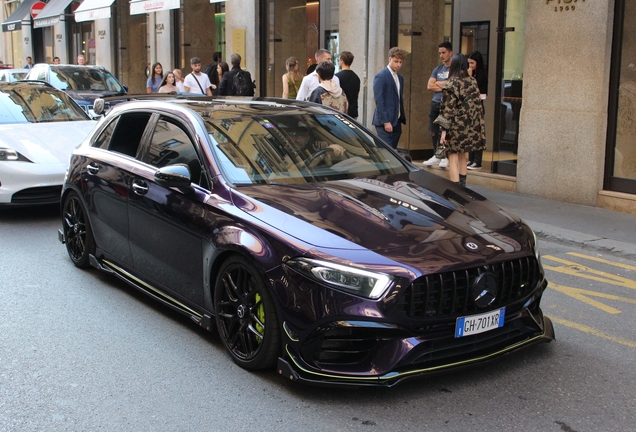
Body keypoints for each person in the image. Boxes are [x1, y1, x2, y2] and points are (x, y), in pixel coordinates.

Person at [433, 54, 486, 187]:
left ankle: (455, 189)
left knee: (453, 157)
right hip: (470, 126)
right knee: (463, 156)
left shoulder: (451, 83)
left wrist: (443, 132)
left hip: (455, 126)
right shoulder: (472, 81)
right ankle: (463, 186)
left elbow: (447, 109)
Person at [423, 41, 453, 168]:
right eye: (440, 53)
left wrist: (440, 83)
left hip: (447, 104)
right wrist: (444, 84)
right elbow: (429, 86)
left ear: (451, 53)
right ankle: (436, 154)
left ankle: (445, 156)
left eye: (444, 53)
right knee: (433, 131)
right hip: (435, 103)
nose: (441, 55)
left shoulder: (455, 69)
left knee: (444, 131)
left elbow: (453, 85)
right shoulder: (437, 69)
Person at [372, 47, 407, 149]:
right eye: (396, 61)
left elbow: (398, 98)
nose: (398, 65)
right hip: (385, 121)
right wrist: (386, 121)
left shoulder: (400, 78)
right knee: (386, 152)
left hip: (397, 120)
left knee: (392, 152)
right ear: (389, 59)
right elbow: (379, 100)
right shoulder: (381, 76)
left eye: (401, 62)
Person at [466, 50, 488, 170]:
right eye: (469, 63)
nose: (470, 66)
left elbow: (481, 93)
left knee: (477, 134)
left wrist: (470, 77)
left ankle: (477, 160)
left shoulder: (482, 75)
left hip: (477, 107)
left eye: (472, 63)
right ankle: (471, 158)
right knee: (470, 134)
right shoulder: (471, 74)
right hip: (469, 107)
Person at [335, 51, 360, 119]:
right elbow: (357, 95)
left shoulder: (337, 77)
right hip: (353, 112)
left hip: (342, 113)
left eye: (338, 60)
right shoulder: (356, 77)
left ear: (342, 61)